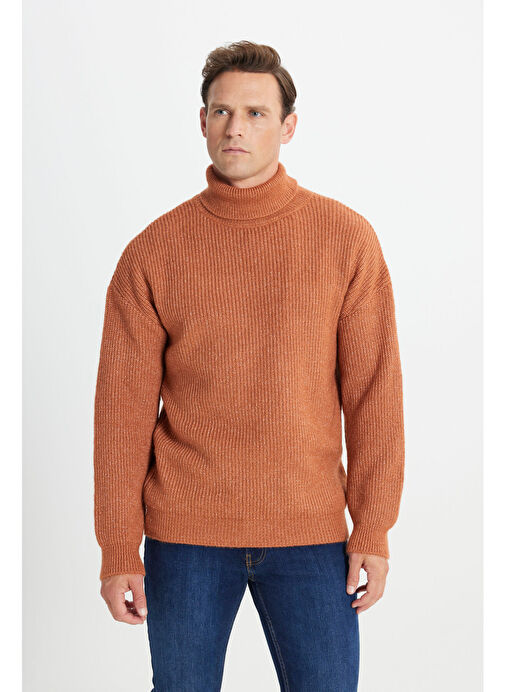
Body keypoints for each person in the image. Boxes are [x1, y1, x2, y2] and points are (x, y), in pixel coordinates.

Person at [93, 40, 405, 692]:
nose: (236, 127)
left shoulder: (345, 239)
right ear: (202, 121)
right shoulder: (152, 252)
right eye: (222, 111)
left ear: (288, 126)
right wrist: (119, 546)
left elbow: (373, 394)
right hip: (185, 534)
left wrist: (372, 530)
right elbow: (122, 413)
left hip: (310, 532)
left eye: (256, 113)